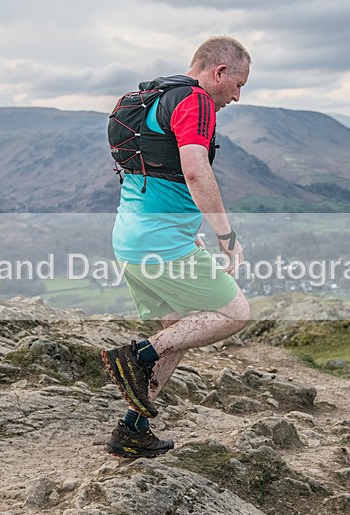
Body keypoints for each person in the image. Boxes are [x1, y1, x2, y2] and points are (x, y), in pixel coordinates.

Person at [102, 36, 251, 459]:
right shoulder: (196, 100)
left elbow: (154, 173)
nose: (236, 96)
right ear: (219, 72)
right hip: (161, 243)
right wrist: (226, 235)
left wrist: (187, 229)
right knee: (235, 313)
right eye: (238, 84)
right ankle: (138, 355)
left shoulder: (149, 97)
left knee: (178, 332)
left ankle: (133, 429)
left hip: (131, 239)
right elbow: (195, 171)